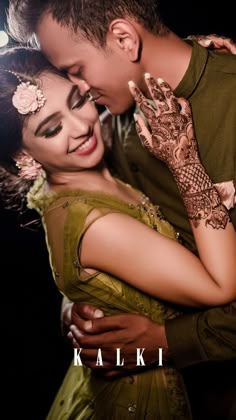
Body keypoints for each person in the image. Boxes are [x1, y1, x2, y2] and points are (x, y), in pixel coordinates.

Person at [7, 1, 236, 418]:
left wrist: (167, 339)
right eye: (53, 127)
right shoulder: (112, 122)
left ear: (124, 39)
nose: (80, 118)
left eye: (76, 81)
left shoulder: (116, 122)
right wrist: (81, 306)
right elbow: (86, 229)